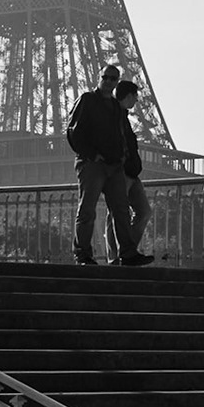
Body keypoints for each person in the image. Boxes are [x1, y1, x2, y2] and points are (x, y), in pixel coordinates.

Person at [66, 63, 151, 266]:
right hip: (93, 165)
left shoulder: (115, 106)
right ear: (99, 77)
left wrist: (121, 158)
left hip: (114, 166)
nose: (109, 81)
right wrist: (93, 156)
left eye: (114, 79)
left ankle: (127, 253)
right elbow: (73, 132)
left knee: (121, 210)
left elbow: (123, 135)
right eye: (106, 77)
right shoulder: (87, 100)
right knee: (87, 210)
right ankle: (83, 254)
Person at [107, 81, 154, 265]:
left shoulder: (123, 117)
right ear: (128, 96)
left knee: (144, 212)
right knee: (115, 213)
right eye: (135, 96)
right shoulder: (113, 116)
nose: (136, 100)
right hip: (121, 172)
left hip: (132, 173)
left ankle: (127, 252)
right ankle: (116, 257)